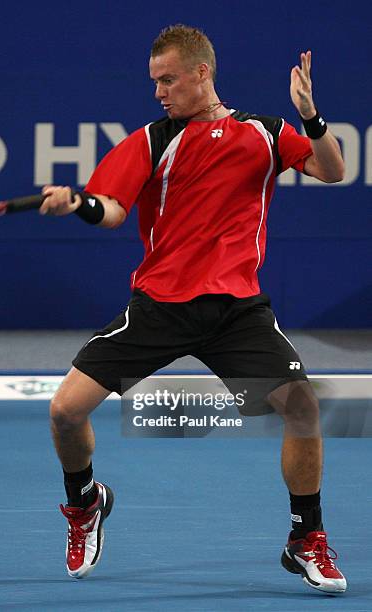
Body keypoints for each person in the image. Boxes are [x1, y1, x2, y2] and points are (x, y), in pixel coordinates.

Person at [39, 25, 346, 593]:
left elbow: (333, 169)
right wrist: (80, 203)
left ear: (202, 73)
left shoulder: (264, 133)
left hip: (236, 310)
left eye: (169, 79)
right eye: (155, 81)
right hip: (159, 307)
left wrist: (310, 117)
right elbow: (109, 210)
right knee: (64, 411)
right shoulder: (152, 141)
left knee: (302, 406)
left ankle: (306, 538)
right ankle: (86, 503)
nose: (159, 91)